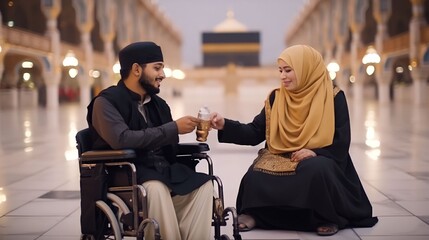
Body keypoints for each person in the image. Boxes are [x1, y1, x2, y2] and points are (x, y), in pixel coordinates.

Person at [210, 45, 378, 236]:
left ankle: (325, 217)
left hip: (322, 156)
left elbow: (341, 140)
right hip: (281, 154)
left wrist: (315, 151)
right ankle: (256, 213)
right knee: (255, 174)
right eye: (280, 71)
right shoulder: (277, 98)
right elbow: (255, 132)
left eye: (288, 70)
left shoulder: (332, 96)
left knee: (317, 170)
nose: (283, 76)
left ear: (306, 68)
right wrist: (225, 125)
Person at [86, 41, 213, 240]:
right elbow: (122, 139)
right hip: (128, 173)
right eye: (157, 67)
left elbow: (168, 145)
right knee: (156, 188)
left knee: (203, 185)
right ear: (136, 69)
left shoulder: (159, 105)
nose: (162, 74)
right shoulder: (106, 102)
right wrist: (173, 128)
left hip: (161, 170)